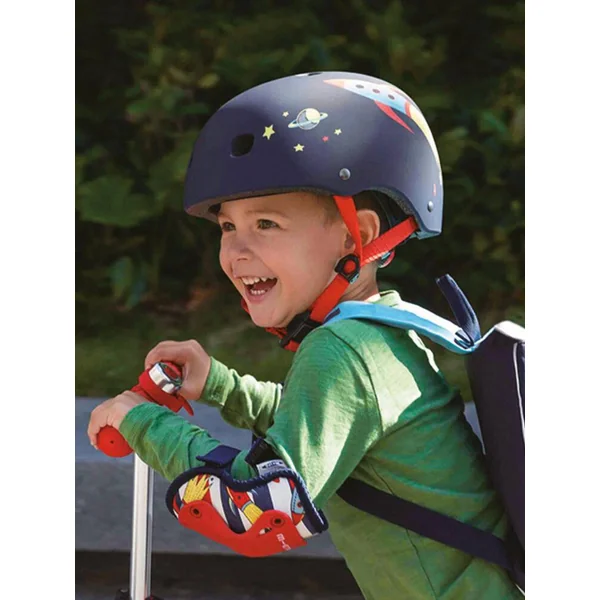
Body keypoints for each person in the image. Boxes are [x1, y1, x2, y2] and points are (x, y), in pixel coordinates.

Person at [88, 71, 522, 599]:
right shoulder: (381, 332)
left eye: (266, 224)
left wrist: (143, 423)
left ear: (357, 236)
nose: (236, 251)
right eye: (227, 227)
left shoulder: (343, 351)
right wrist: (222, 387)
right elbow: (318, 422)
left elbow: (256, 509)